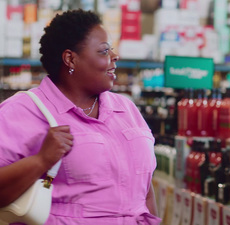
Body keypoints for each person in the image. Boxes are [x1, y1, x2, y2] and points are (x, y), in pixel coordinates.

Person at [0, 9, 161, 225]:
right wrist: (40, 161)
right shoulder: (22, 111)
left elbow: (145, 190)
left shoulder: (126, 109)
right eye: (104, 51)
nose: (115, 56)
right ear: (70, 59)